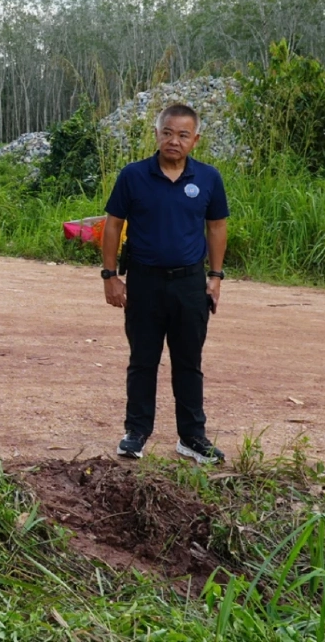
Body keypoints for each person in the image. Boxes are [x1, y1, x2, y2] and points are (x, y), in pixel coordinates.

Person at [101, 103, 228, 466]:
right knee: (143, 360)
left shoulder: (208, 178)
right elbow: (112, 224)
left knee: (189, 361)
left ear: (195, 140)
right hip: (144, 282)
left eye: (183, 135)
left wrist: (215, 278)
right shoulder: (133, 176)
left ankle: (192, 437)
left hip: (190, 283)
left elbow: (216, 226)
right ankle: (136, 433)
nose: (174, 141)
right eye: (168, 133)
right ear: (156, 135)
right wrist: (110, 277)